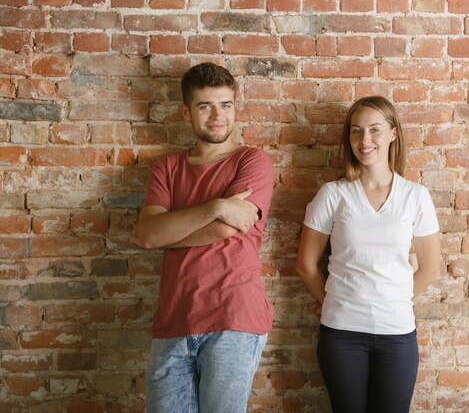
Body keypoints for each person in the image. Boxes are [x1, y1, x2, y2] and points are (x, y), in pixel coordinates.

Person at [131, 62, 274, 413]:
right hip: (174, 320)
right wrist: (216, 207)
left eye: (225, 104)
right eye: (205, 106)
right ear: (186, 111)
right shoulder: (166, 168)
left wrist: (171, 230)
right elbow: (147, 234)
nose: (217, 116)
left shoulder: (252, 162)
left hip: (234, 317)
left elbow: (231, 227)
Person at [296, 96, 441, 413]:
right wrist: (342, 303)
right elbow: (306, 265)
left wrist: (392, 301)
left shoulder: (415, 196)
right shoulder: (333, 194)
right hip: (342, 336)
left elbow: (430, 268)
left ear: (393, 134)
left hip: (397, 335)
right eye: (356, 131)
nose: (365, 140)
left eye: (375, 130)